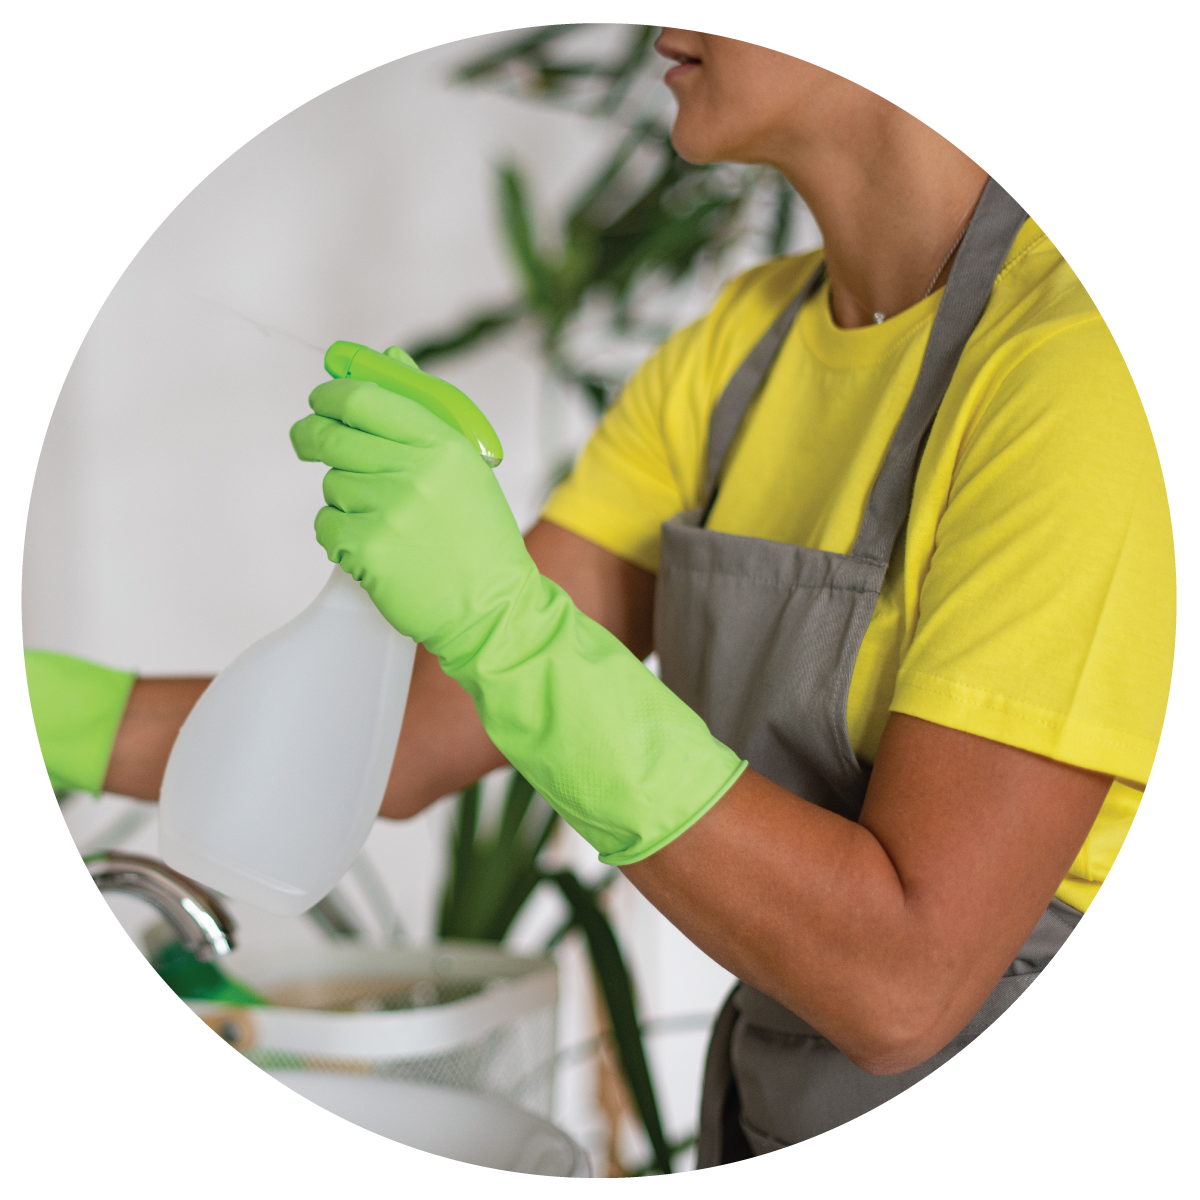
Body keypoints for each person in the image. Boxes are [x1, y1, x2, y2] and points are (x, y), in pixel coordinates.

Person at [32, 37, 1172, 1160]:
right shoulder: (741, 353)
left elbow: (904, 987)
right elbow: (414, 736)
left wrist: (501, 624)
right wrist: (56, 712)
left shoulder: (1072, 378)